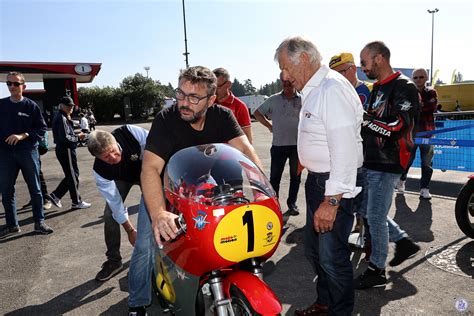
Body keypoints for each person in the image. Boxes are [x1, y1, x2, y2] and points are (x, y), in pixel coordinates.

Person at [128, 66, 262, 316]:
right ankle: (137, 302)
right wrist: (158, 213)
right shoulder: (166, 120)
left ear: (211, 100)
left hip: (201, 187)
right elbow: (149, 169)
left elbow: (245, 150)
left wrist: (260, 189)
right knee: (147, 244)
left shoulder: (222, 116)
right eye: (180, 94)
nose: (184, 103)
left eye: (194, 97)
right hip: (164, 189)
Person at [276, 36, 363, 316]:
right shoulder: (313, 89)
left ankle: (340, 312)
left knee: (332, 258)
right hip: (317, 181)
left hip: (333, 186)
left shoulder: (331, 88)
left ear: (303, 58)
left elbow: (346, 149)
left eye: (286, 68)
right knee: (314, 253)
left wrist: (333, 201)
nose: (284, 76)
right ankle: (325, 303)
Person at [355, 41, 420, 290]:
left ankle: (377, 269)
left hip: (389, 162)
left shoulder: (404, 86)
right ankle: (403, 243)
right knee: (366, 210)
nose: (362, 68)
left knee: (375, 217)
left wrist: (364, 119)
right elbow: (372, 124)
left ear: (379, 59)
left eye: (364, 62)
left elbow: (397, 127)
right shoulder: (377, 88)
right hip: (371, 161)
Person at [87, 125, 148, 281]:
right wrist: (130, 230)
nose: (114, 158)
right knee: (109, 214)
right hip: (122, 178)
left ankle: (164, 251)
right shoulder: (100, 170)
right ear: (98, 157)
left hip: (147, 169)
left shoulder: (131, 133)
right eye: (106, 157)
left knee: (154, 205)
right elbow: (115, 203)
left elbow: (159, 148)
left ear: (115, 141)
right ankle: (114, 261)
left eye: (114, 151)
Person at [0, 71, 53, 238]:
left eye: (15, 83)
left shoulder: (31, 106)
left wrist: (22, 135)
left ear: (23, 86)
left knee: (35, 189)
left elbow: (41, 128)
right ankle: (12, 225)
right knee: (6, 190)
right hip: (6, 154)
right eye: (9, 83)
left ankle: (39, 222)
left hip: (27, 152)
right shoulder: (1, 105)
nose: (12, 87)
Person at [253, 72, 302, 216]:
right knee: (275, 178)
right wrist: (269, 126)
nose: (286, 85)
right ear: (281, 82)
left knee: (296, 177)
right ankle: (274, 205)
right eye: (284, 82)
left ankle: (292, 204)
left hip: (297, 147)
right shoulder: (273, 100)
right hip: (278, 146)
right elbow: (257, 113)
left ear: (294, 81)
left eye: (289, 82)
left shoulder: (302, 100)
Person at [396, 68, 438, 199]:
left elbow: (430, 107)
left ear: (426, 78)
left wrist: (414, 106)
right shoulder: (408, 91)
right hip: (410, 134)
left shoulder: (431, 92)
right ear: (412, 78)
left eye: (421, 77)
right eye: (416, 77)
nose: (418, 79)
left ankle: (424, 189)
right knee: (407, 160)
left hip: (427, 134)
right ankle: (401, 182)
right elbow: (404, 108)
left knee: (427, 163)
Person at [48, 96, 91, 210]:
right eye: (68, 106)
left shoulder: (62, 116)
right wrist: (79, 137)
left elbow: (66, 134)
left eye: (72, 106)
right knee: (73, 176)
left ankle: (56, 195)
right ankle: (76, 201)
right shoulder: (62, 117)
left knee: (71, 176)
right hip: (66, 149)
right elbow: (66, 137)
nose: (71, 108)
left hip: (64, 149)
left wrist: (76, 135)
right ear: (62, 106)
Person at [213, 67, 253, 143]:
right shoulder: (208, 103)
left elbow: (248, 138)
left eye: (218, 87)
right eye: (212, 87)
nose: (214, 91)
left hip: (231, 153)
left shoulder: (240, 106)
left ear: (228, 84)